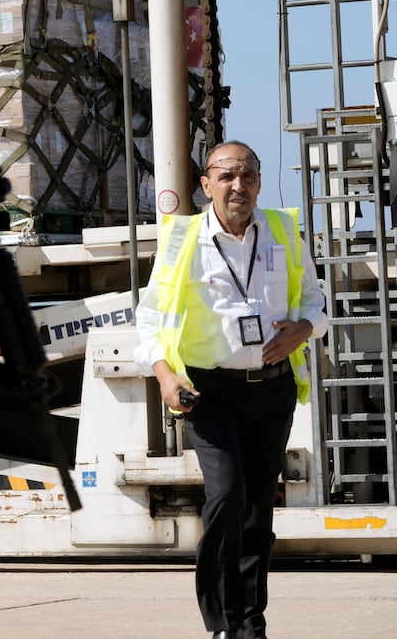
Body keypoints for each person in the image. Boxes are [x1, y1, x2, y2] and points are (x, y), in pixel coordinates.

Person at [134, 142, 327, 639]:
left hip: (272, 390)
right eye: (226, 176)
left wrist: (305, 327)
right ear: (206, 185)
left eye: (247, 176)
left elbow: (314, 298)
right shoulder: (184, 238)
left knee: (259, 507)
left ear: (259, 182)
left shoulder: (283, 230)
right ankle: (220, 620)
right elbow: (151, 316)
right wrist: (163, 372)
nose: (237, 186)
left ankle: (250, 623)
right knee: (227, 495)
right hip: (210, 390)